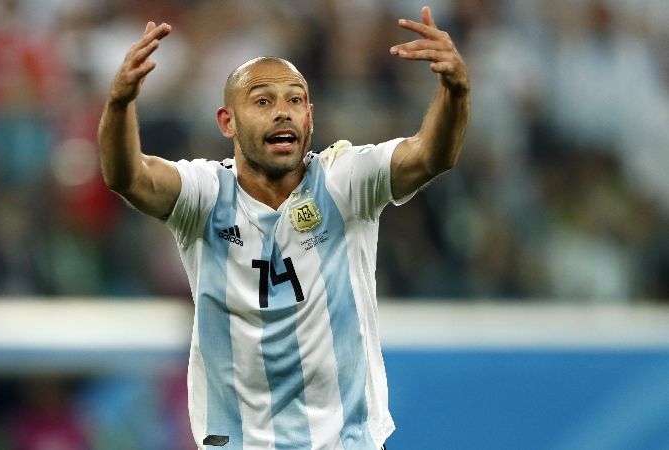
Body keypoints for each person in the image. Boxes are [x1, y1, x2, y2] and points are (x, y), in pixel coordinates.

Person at [98, 6, 469, 449]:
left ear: (310, 116)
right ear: (227, 122)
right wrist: (119, 105)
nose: (283, 112)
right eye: (262, 101)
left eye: (295, 100)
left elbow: (431, 155)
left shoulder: (344, 182)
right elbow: (128, 177)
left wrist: (454, 91)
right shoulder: (204, 195)